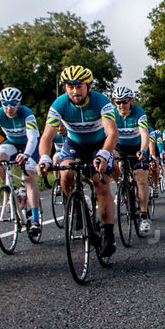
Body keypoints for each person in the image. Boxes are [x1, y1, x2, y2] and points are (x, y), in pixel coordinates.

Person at [37, 65, 120, 258]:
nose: (75, 91)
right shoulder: (59, 104)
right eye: (70, 86)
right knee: (65, 173)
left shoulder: (101, 101)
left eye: (79, 86)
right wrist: (44, 158)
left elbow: (112, 132)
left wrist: (105, 154)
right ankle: (78, 208)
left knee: (101, 183)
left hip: (99, 144)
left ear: (89, 86)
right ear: (65, 88)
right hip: (74, 144)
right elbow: (47, 137)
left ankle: (108, 234)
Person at [0, 86, 44, 238]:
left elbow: (33, 137)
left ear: (19, 103)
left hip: (29, 145)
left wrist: (26, 154)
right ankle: (11, 189)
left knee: (28, 178)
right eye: (5, 104)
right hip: (12, 143)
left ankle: (35, 220)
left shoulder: (26, 113)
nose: (9, 108)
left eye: (13, 104)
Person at [108, 86, 154, 234]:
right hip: (119, 146)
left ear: (131, 101)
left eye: (125, 102)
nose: (121, 106)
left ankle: (143, 215)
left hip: (136, 146)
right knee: (111, 160)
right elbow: (107, 135)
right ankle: (121, 185)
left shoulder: (138, 112)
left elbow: (144, 133)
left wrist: (143, 150)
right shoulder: (112, 113)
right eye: (118, 102)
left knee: (141, 178)